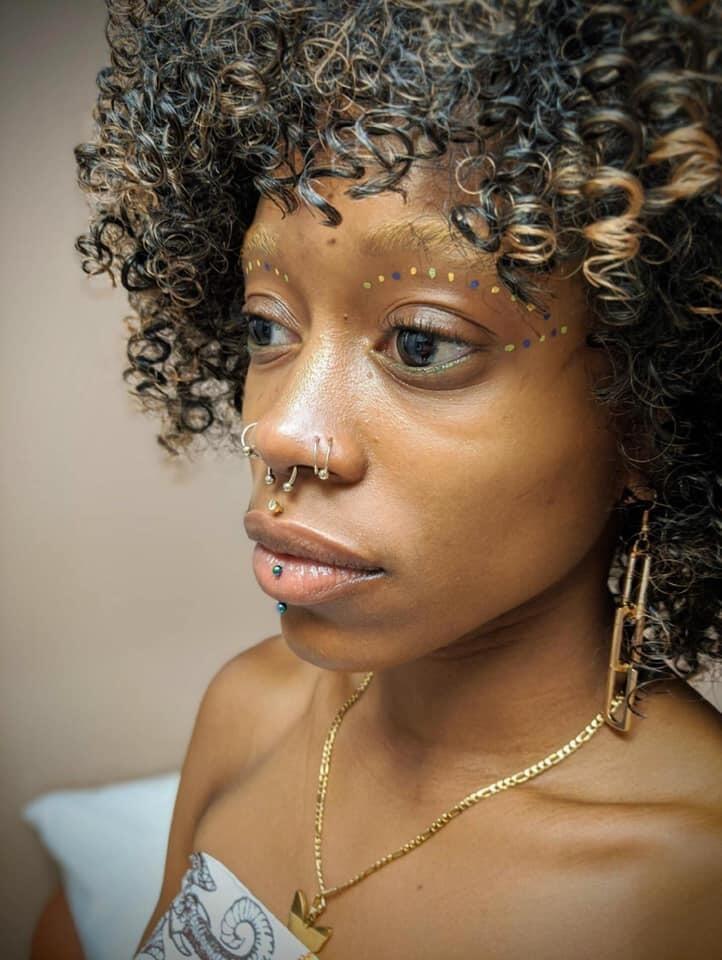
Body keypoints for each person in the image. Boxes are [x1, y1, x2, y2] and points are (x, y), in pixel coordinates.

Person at [33, 1, 721, 957]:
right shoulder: (253, 709)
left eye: (421, 342)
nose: (279, 429)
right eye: (267, 325)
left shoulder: (690, 888)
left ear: (650, 417)